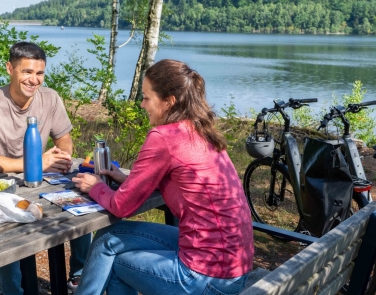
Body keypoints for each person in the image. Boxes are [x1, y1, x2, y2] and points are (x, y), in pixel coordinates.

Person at [72, 59, 253, 295]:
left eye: (147, 98)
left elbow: (121, 207)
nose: (142, 104)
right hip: (232, 265)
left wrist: (95, 187)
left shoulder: (164, 136)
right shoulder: (201, 130)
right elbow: (183, 185)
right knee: (108, 236)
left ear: (169, 101)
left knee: (116, 264)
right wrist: (126, 181)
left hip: (206, 277)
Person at [0, 41, 91, 294]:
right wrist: (38, 162)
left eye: (39, 73)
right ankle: (13, 291)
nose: (34, 80)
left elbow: (64, 138)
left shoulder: (50, 98)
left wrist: (62, 155)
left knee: (84, 199)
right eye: (27, 72)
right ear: (10, 69)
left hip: (40, 178)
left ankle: (78, 277)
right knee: (7, 233)